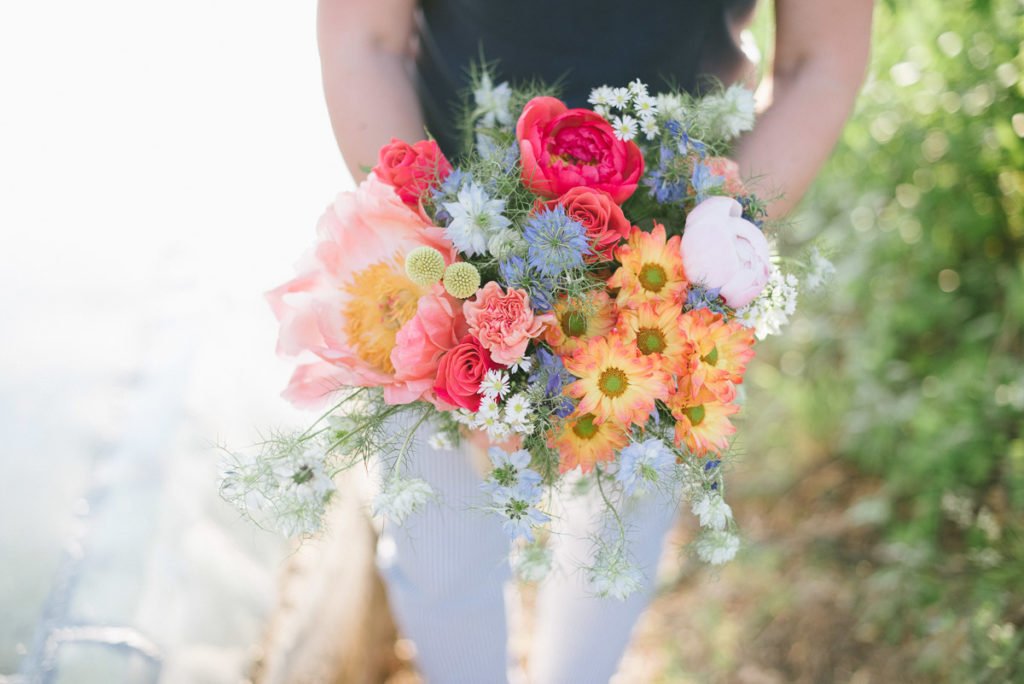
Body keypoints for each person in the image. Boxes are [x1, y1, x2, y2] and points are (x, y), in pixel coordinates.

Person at [316, 1, 873, 681]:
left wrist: (705, 255)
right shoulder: (434, 259)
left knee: (612, 550)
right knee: (439, 548)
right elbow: (363, 37)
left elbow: (819, 61)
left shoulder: (671, 280)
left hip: (664, 260)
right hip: (436, 241)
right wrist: (443, 269)